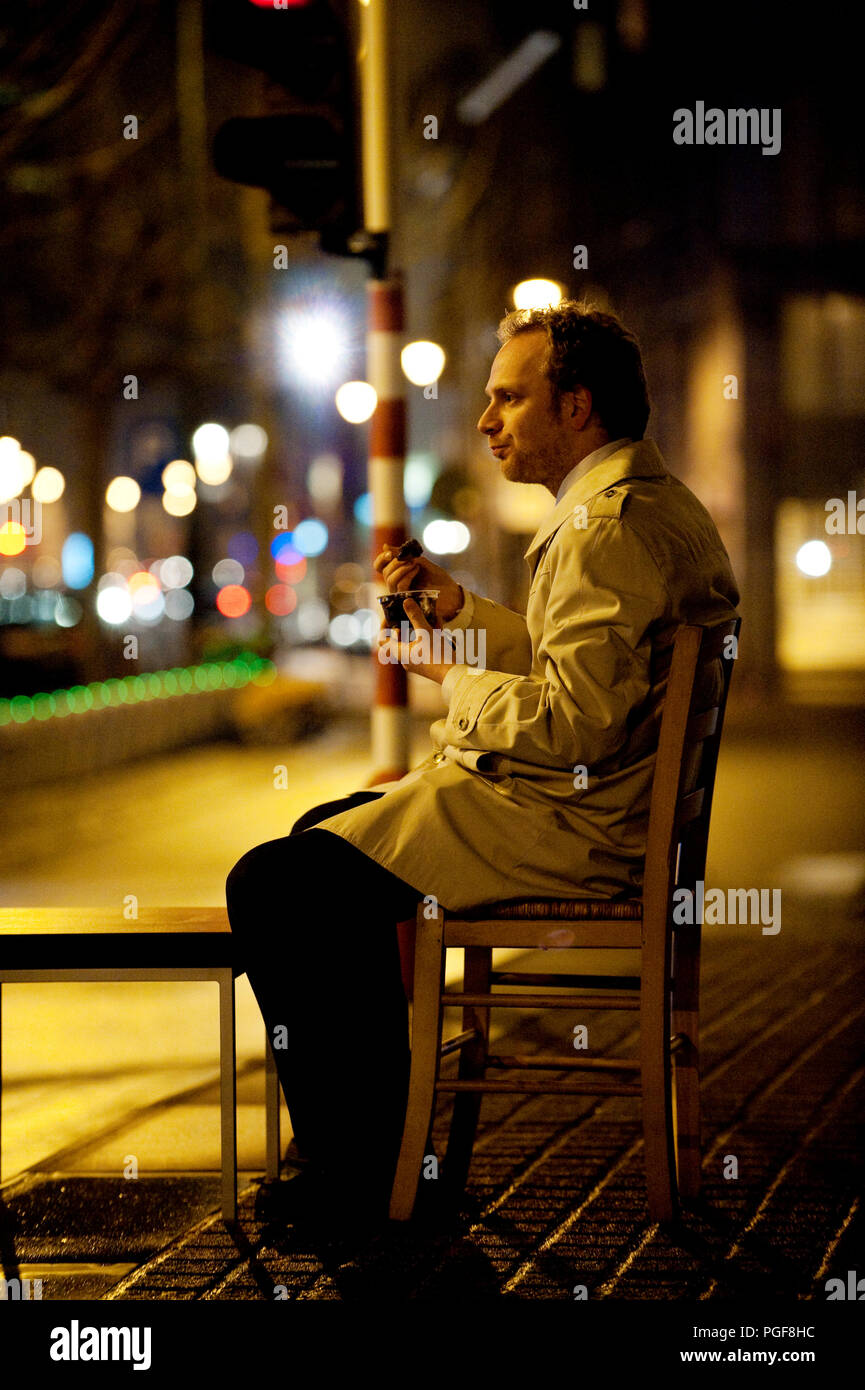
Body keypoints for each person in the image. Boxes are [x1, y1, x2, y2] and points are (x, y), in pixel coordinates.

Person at [225, 299, 740, 1232]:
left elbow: (578, 722)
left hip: (570, 826)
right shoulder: (649, 507)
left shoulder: (603, 530)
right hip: (592, 813)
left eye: (508, 398)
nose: (484, 420)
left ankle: (362, 1174)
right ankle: (380, 1154)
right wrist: (456, 609)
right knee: (313, 852)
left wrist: (446, 674)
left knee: (276, 883)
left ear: (574, 405)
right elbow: (580, 666)